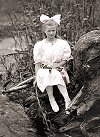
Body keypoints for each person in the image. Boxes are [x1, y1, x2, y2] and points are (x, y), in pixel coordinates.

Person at [33, 14, 71, 114]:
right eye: (48, 31)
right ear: (44, 32)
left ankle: (67, 99)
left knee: (56, 74)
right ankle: (51, 98)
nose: (51, 33)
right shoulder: (40, 45)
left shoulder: (62, 43)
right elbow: (37, 63)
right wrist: (36, 77)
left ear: (56, 30)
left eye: (53, 30)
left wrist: (57, 65)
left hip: (58, 67)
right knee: (45, 74)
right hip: (44, 68)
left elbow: (65, 60)